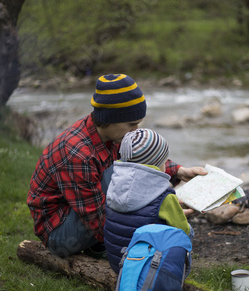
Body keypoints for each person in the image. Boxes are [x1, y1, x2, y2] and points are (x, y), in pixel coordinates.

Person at [27, 73, 206, 258]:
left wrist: (179, 171)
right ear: (109, 118)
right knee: (121, 173)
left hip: (81, 214)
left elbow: (141, 156)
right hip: (59, 233)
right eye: (131, 124)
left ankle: (98, 246)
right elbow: (96, 221)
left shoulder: (113, 134)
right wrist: (159, 220)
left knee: (126, 171)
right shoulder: (78, 154)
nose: (135, 131)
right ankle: (107, 246)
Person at [104, 128, 194, 272]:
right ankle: (180, 273)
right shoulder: (165, 196)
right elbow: (182, 229)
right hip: (148, 268)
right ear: (158, 163)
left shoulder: (114, 183)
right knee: (189, 232)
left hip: (118, 263)